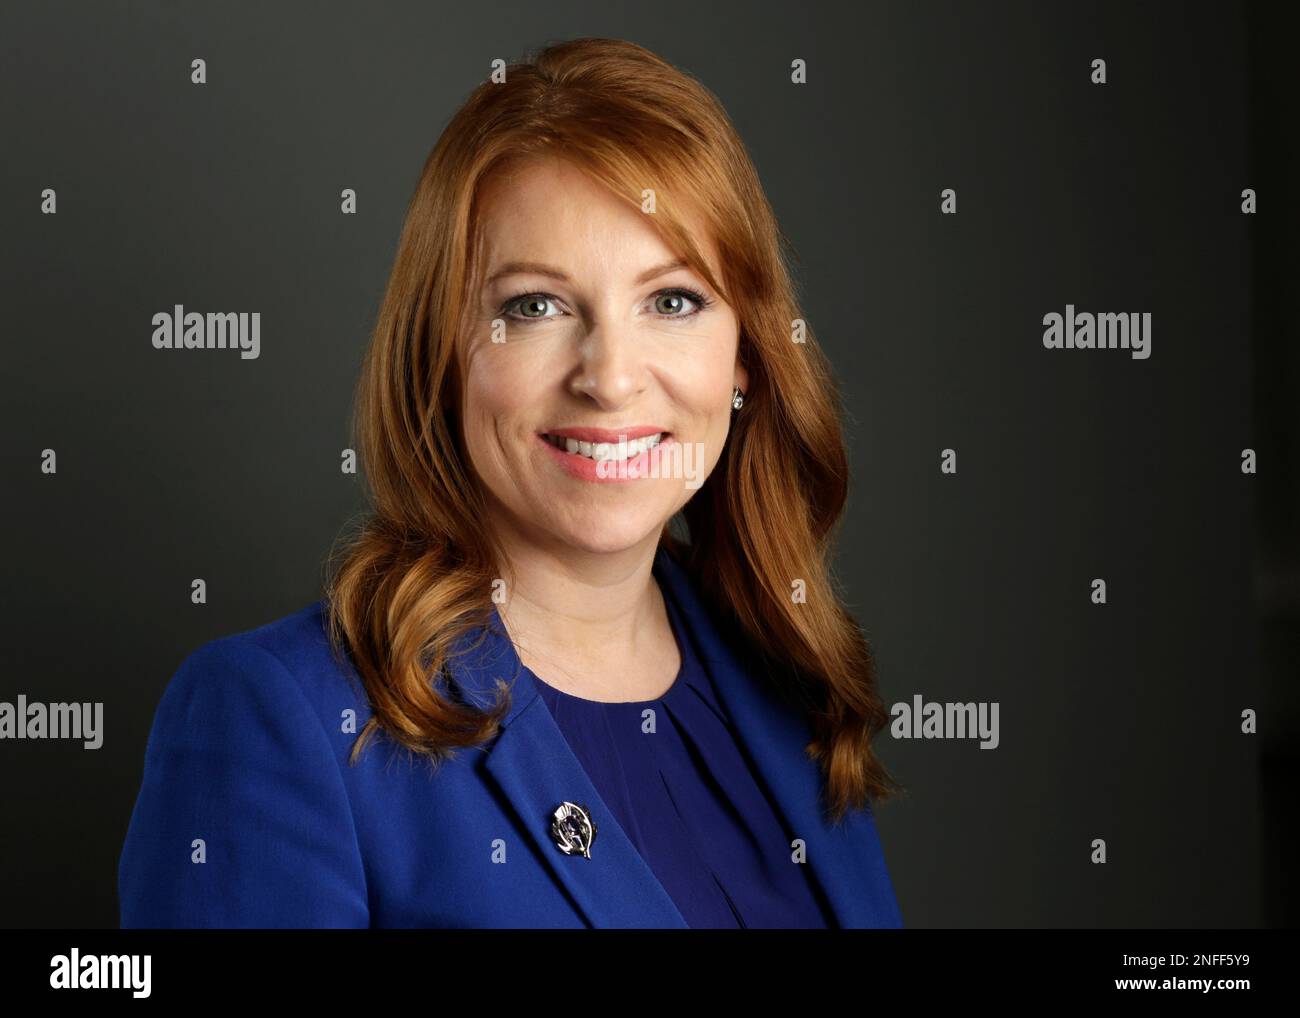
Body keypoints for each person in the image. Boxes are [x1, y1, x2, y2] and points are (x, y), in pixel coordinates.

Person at [118, 36, 904, 929]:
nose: (609, 377)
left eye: (673, 300)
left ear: (748, 358)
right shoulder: (277, 722)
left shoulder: (789, 689)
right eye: (533, 307)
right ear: (442, 357)